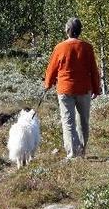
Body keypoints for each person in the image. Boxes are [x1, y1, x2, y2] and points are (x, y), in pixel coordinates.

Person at [43, 17, 102, 159]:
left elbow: (52, 69)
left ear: (68, 30)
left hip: (65, 90)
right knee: (83, 121)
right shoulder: (87, 47)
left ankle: (72, 153)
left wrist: (47, 84)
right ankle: (81, 152)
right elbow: (93, 70)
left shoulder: (59, 47)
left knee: (68, 121)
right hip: (84, 89)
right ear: (79, 30)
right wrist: (96, 88)